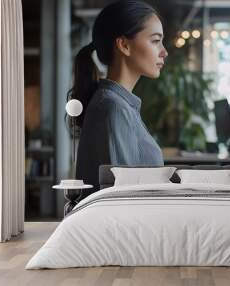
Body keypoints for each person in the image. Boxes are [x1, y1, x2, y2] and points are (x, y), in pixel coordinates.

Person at [67, 0, 168, 196]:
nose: (164, 51)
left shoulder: (118, 104)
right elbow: (123, 197)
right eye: (155, 41)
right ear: (124, 45)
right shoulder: (113, 108)